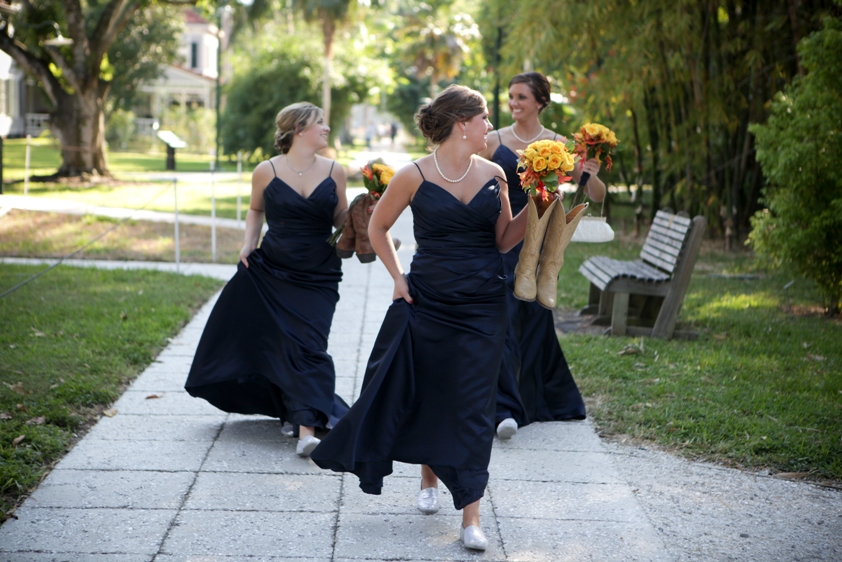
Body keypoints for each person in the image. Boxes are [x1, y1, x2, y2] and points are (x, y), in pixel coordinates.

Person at [310, 85, 527, 551]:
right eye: (485, 117)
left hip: (485, 304)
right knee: (431, 390)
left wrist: (543, 204)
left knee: (474, 404)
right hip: (429, 299)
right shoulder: (413, 174)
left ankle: (471, 514)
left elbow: (506, 239)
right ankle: (428, 478)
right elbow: (377, 226)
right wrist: (398, 278)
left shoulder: (495, 173)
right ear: (462, 123)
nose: (491, 125)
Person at [185, 102, 349, 458]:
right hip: (274, 269)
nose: (325, 127)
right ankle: (304, 426)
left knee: (309, 344)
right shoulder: (266, 170)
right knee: (284, 344)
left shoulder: (335, 171)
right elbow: (256, 209)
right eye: (319, 122)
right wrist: (248, 243)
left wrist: (369, 216)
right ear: (299, 129)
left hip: (320, 273)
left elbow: (341, 218)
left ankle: (302, 416)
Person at [477, 72, 606, 440]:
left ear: (539, 102)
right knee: (503, 318)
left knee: (534, 321)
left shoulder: (558, 143)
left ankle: (530, 400)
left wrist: (591, 173)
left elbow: (594, 194)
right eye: (511, 96)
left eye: (521, 97)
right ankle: (504, 408)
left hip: (541, 242)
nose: (514, 103)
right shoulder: (492, 140)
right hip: (501, 237)